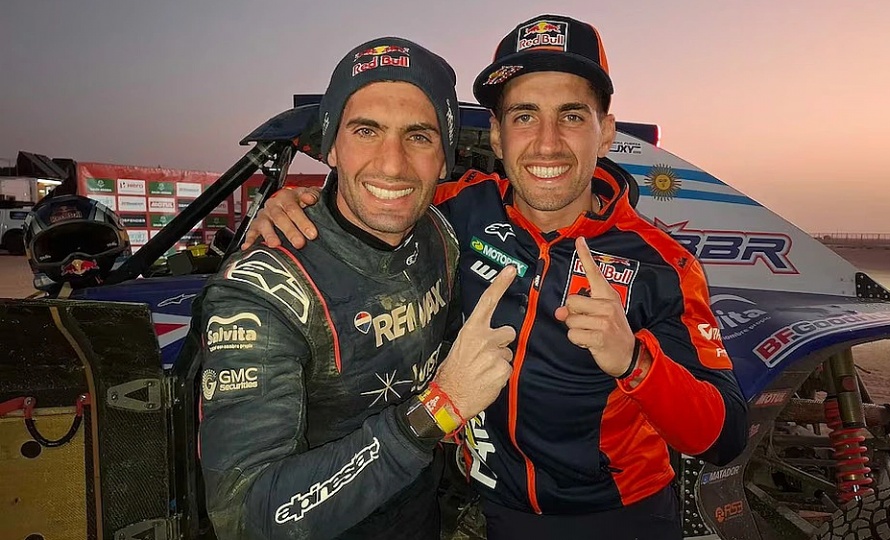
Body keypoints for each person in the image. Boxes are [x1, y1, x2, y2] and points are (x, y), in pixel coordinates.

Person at [245, 15, 748, 540]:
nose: (547, 144)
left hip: (621, 518)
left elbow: (725, 437)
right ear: (497, 137)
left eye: (571, 116)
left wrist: (634, 361)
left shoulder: (663, 265)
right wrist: (299, 204)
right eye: (524, 116)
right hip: (495, 512)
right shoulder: (458, 209)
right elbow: (376, 198)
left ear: (605, 133)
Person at [195, 37, 518, 540]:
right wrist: (440, 408)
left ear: (443, 159)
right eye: (366, 131)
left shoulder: (441, 232)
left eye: (419, 136)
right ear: (331, 147)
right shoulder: (266, 290)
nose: (391, 164)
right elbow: (246, 517)